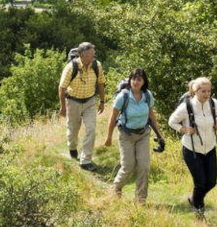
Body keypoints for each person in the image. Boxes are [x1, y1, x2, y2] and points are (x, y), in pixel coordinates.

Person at [104, 68, 160, 203]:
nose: (135, 81)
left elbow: (151, 115)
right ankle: (116, 188)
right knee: (128, 166)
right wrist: (109, 137)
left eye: (139, 79)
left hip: (143, 134)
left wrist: (159, 135)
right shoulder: (122, 97)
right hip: (126, 135)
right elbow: (112, 118)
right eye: (133, 78)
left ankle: (141, 199)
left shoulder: (147, 95)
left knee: (144, 166)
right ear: (130, 80)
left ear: (143, 82)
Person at [168, 77, 217, 219]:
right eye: (203, 91)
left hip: (210, 148)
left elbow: (216, 118)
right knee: (200, 183)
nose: (207, 94)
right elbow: (172, 121)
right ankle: (199, 213)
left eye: (209, 91)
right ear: (195, 91)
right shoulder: (187, 106)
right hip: (191, 150)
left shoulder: (214, 104)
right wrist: (184, 129)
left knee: (211, 182)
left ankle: (193, 199)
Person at [58, 42, 106, 171]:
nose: (93, 57)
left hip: (90, 101)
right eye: (91, 54)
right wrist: (63, 107)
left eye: (93, 54)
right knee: (73, 130)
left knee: (91, 129)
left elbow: (101, 83)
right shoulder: (70, 68)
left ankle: (85, 160)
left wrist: (102, 101)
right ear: (82, 55)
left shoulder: (97, 65)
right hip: (73, 102)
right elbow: (62, 88)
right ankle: (72, 147)